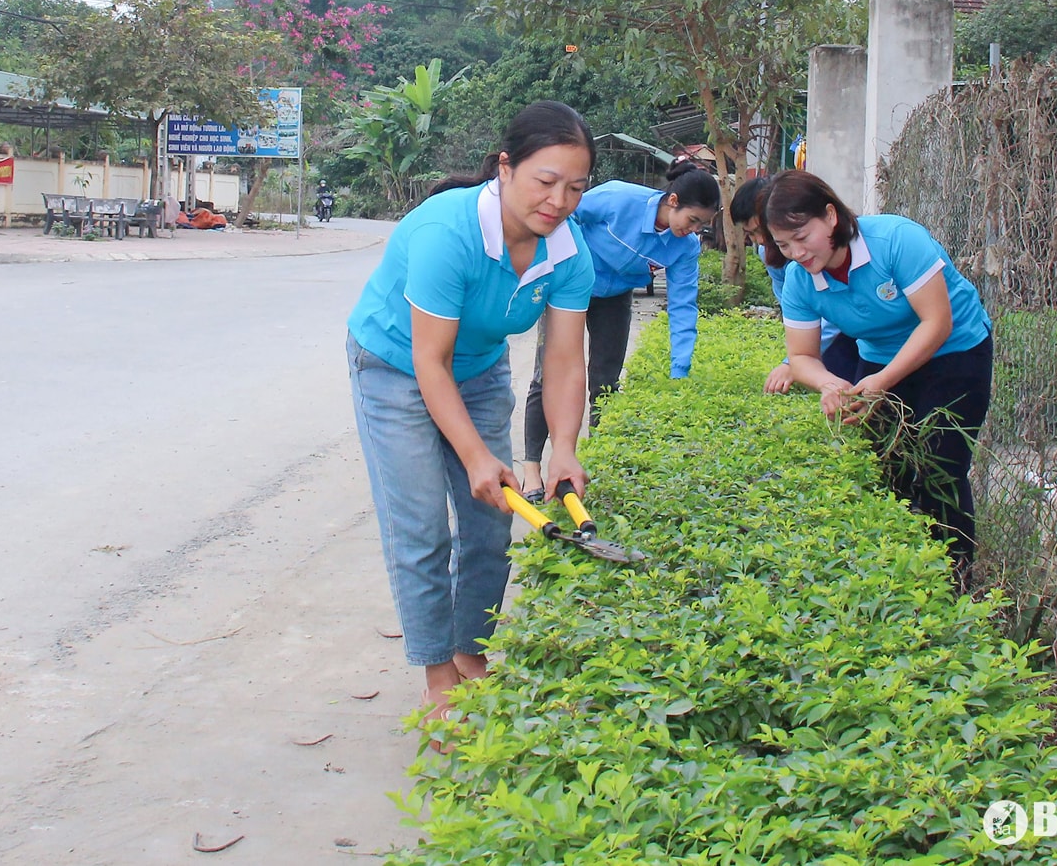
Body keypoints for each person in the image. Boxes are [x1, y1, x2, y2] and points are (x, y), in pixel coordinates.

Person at [344, 100, 598, 727]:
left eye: (575, 187)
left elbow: (565, 360)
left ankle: (471, 651)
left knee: (490, 521)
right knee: (422, 525)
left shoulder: (567, 251)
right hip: (395, 368)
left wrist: (564, 446)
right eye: (546, 182)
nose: (559, 201)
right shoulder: (445, 234)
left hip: (479, 370)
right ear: (506, 168)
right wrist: (477, 455)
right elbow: (429, 363)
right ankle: (437, 675)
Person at [759, 170, 994, 588]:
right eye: (782, 245)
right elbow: (801, 356)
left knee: (942, 465)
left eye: (801, 236)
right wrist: (832, 385)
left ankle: (957, 585)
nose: (795, 253)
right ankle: (901, 576)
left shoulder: (896, 240)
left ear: (830, 216)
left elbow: (937, 322)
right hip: (881, 357)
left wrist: (881, 381)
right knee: (888, 467)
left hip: (955, 351)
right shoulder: (799, 280)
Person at [520, 159, 717, 471]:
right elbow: (566, 214)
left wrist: (680, 369)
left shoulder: (685, 247)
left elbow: (683, 306)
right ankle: (532, 467)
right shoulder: (619, 199)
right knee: (549, 375)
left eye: (700, 226)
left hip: (615, 298)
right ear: (673, 201)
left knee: (605, 382)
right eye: (692, 220)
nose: (693, 231)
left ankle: (597, 463)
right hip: (571, 288)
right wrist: (557, 264)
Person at [738, 175, 861, 389]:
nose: (759, 239)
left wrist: (793, 363)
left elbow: (836, 313)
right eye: (751, 234)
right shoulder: (769, 254)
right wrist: (798, 360)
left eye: (760, 230)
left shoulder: (874, 243)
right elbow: (794, 311)